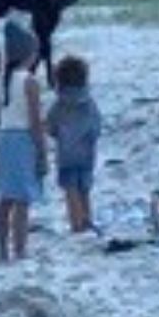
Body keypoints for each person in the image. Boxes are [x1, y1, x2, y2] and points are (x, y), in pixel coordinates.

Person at [0, 19, 47, 261]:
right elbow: (36, 122)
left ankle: (3, 248)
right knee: (23, 199)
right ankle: (20, 248)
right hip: (23, 139)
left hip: (4, 139)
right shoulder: (30, 81)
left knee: (5, 197)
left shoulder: (0, 80)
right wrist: (42, 152)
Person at [45, 55, 102, 234]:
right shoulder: (89, 103)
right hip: (87, 152)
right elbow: (97, 125)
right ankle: (87, 219)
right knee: (84, 189)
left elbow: (51, 126)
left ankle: (76, 223)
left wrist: (55, 133)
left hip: (66, 153)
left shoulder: (60, 105)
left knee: (71, 190)